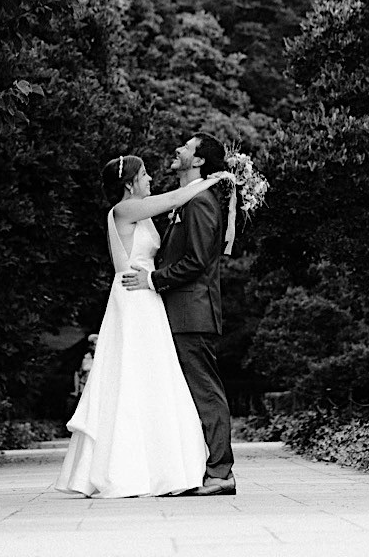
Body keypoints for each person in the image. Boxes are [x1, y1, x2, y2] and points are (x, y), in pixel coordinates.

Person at [54, 154, 234, 498]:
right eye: (145, 174)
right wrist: (215, 178)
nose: (150, 178)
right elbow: (175, 198)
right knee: (134, 378)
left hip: (148, 297)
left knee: (153, 380)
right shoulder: (124, 210)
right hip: (134, 298)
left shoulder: (141, 211)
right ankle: (132, 469)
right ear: (129, 184)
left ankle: (160, 467)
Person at [120, 133, 238, 496]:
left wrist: (152, 279)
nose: (178, 149)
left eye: (186, 147)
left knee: (206, 393)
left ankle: (221, 473)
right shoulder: (187, 200)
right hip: (179, 312)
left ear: (198, 161)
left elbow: (198, 260)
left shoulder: (200, 202)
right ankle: (192, 469)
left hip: (193, 313)